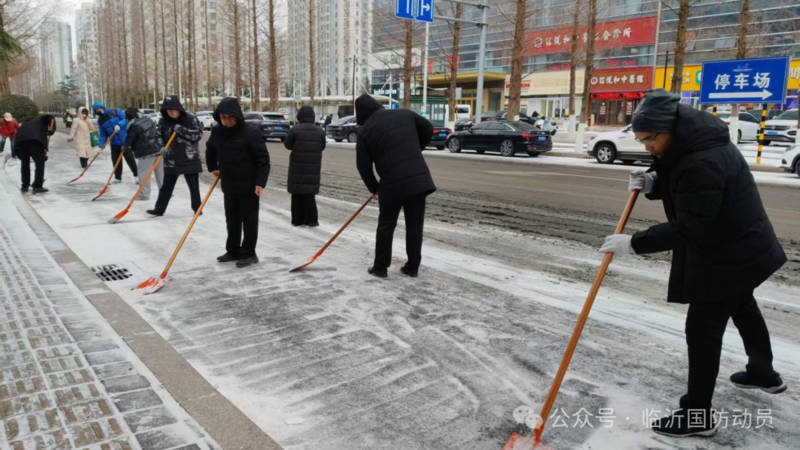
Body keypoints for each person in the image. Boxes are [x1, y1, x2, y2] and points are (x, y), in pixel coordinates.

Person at [599, 89, 787, 438]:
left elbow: (693, 224)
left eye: (648, 139)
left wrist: (635, 243)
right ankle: (763, 372)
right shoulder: (695, 141)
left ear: (668, 129)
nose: (646, 147)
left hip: (730, 253)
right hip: (742, 244)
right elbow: (681, 179)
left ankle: (696, 416)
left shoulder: (702, 160)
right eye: (640, 140)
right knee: (743, 305)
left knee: (702, 331)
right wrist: (655, 183)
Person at [355, 94, 436, 279]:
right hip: (418, 179)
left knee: (386, 225)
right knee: (415, 225)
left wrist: (374, 187)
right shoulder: (404, 114)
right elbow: (428, 127)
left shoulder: (365, 131)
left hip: (392, 183)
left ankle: (380, 267)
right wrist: (415, 149)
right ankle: (413, 267)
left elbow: (362, 166)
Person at [206, 97, 270, 268]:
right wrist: (212, 167)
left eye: (229, 117)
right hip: (229, 183)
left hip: (248, 184)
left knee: (249, 220)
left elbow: (262, 159)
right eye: (222, 117)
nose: (226, 120)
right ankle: (233, 250)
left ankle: (249, 253)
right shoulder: (218, 132)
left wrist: (260, 182)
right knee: (232, 219)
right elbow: (210, 149)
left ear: (237, 116)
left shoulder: (250, 132)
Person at [148, 95, 203, 217]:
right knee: (166, 185)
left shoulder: (190, 119)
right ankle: (159, 209)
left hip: (189, 157)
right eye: (168, 110)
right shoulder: (163, 121)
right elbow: (157, 137)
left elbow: (198, 135)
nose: (170, 112)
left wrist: (181, 130)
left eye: (172, 109)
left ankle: (197, 208)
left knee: (193, 185)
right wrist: (162, 148)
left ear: (179, 108)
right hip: (171, 159)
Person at [284, 105, 325, 227]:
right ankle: (311, 220)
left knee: (296, 194)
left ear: (300, 117)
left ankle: (297, 220)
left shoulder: (294, 130)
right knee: (309, 194)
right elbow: (322, 147)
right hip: (313, 168)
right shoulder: (320, 131)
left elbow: (287, 145)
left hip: (297, 167)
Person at [122, 108, 163, 201]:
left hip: (146, 152)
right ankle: (166, 191)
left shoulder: (133, 125)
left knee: (143, 173)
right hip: (158, 149)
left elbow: (130, 139)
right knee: (160, 172)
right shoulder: (149, 119)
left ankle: (144, 194)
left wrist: (124, 146)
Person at [93, 102, 137, 184]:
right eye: (96, 112)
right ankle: (117, 177)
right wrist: (101, 146)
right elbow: (103, 135)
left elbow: (125, 119)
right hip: (114, 143)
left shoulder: (115, 111)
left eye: (99, 110)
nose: (98, 112)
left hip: (125, 140)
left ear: (102, 107)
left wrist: (119, 125)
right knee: (116, 161)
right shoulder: (100, 121)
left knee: (130, 159)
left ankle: (136, 175)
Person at [16, 115, 55, 193]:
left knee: (25, 164)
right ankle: (37, 186)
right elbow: (50, 117)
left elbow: (16, 139)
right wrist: (52, 130)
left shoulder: (24, 125)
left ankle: (25, 186)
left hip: (21, 144)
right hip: (35, 143)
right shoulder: (40, 119)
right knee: (39, 165)